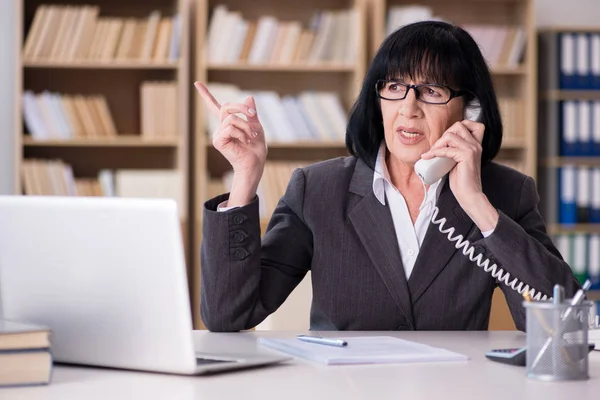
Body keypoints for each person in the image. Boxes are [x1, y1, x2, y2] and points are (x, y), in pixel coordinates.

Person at [195, 20, 580, 332]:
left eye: (431, 90)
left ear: (470, 110)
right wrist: (245, 177)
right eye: (395, 87)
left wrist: (479, 206)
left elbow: (567, 325)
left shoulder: (506, 194)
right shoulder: (318, 190)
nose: (408, 109)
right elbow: (230, 316)